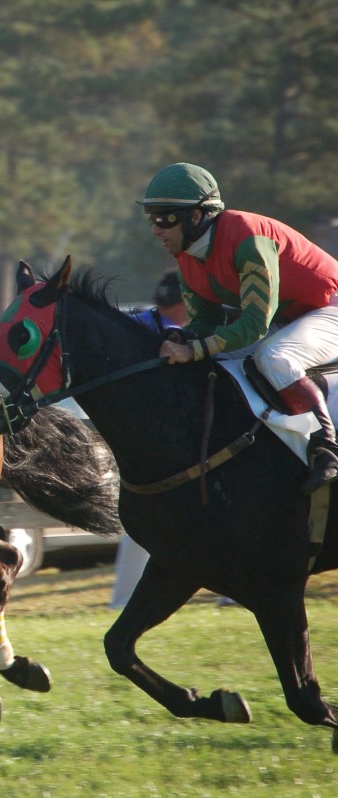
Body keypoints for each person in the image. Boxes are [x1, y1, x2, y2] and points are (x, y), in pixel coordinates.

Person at [139, 162, 338, 493]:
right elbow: (207, 324)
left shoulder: (249, 238)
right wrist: (182, 338)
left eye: (164, 218)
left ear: (197, 216)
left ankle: (326, 450)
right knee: (216, 362)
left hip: (328, 309)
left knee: (275, 357)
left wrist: (192, 348)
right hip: (290, 319)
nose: (156, 229)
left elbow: (254, 326)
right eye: (152, 218)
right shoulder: (187, 256)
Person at [112, 271, 187, 609]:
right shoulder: (142, 324)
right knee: (142, 522)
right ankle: (124, 599)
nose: (170, 314)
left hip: (192, 438)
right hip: (160, 441)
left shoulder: (211, 322)